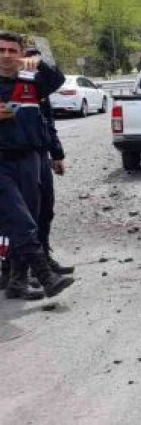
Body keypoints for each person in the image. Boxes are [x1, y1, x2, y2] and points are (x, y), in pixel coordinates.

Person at [0, 30, 75, 298]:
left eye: (12, 50)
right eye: (1, 50)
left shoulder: (31, 82)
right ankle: (45, 277)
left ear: (20, 54)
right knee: (20, 221)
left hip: (31, 158)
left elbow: (58, 80)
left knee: (32, 217)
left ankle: (17, 282)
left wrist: (38, 61)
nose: (6, 55)